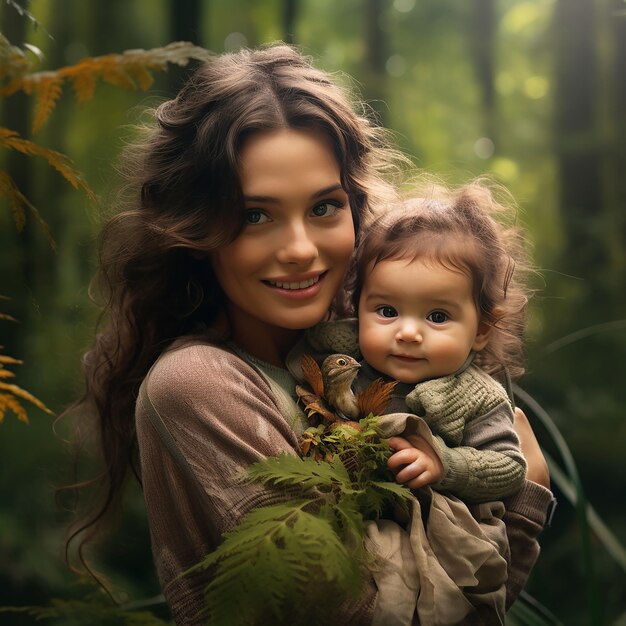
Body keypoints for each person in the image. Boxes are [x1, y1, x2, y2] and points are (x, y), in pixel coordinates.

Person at [67, 44, 554, 625]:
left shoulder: (371, 345)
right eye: (255, 215)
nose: (300, 249)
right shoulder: (197, 385)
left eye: (325, 206)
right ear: (197, 228)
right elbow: (355, 615)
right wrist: (525, 504)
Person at [306, 181, 530, 504]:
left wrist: (446, 464)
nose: (408, 333)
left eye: (437, 317)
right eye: (387, 311)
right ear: (358, 311)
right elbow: (308, 339)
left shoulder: (478, 397)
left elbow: (510, 467)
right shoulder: (345, 350)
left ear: (481, 330)